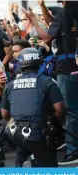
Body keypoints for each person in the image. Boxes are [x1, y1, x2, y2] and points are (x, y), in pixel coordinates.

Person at [23, 1, 78, 165]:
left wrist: (33, 19)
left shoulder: (65, 12)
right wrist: (42, 7)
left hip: (68, 69)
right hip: (71, 67)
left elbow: (47, 36)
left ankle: (73, 149)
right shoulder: (70, 12)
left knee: (69, 111)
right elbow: (52, 22)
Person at [1, 48, 66, 167]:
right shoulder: (47, 82)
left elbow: (4, 115)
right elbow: (60, 109)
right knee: (48, 164)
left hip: (14, 132)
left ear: (20, 64)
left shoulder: (10, 85)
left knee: (21, 155)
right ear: (40, 63)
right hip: (38, 133)